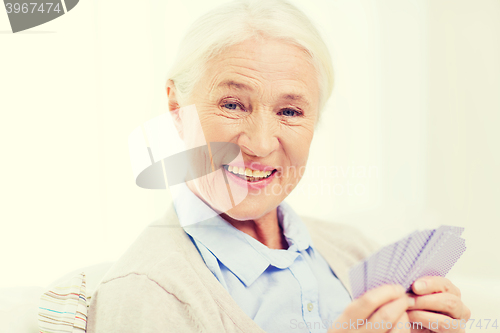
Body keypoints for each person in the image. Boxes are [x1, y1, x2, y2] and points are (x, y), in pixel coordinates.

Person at [87, 0, 470, 332]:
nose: (259, 144)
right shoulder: (143, 292)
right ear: (176, 110)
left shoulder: (357, 251)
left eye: (290, 111)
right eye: (233, 105)